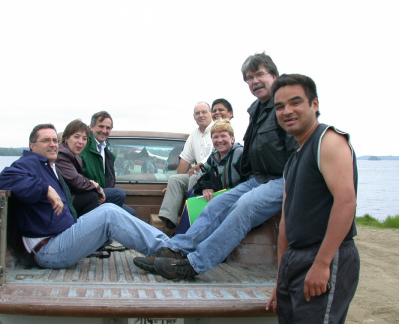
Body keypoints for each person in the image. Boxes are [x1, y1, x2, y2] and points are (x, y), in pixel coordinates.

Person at [133, 52, 298, 280]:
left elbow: (298, 150)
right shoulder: (257, 110)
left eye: (260, 74)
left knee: (245, 207)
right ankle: (175, 249)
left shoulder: (285, 106)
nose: (254, 82)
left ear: (274, 75)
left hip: (287, 178)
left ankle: (194, 264)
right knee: (217, 204)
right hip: (259, 179)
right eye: (249, 78)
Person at [0, 124, 170, 269]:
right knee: (109, 214)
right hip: (48, 250)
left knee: (109, 208)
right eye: (45, 140)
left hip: (61, 238)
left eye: (55, 140)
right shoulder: (30, 162)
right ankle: (166, 250)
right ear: (32, 146)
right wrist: (45, 189)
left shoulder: (50, 167)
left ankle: (168, 247)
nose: (52, 144)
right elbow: (4, 179)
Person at [266, 74, 359, 323]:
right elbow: (287, 221)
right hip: (295, 259)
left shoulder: (328, 141)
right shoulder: (294, 158)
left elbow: (346, 202)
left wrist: (322, 264)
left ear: (314, 104)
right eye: (279, 106)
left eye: (295, 102)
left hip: (326, 254)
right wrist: (281, 279)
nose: (287, 111)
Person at [174, 119, 247, 235]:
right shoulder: (214, 155)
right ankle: (184, 234)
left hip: (236, 197)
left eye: (223, 136)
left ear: (232, 139)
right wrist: (205, 187)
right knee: (192, 193)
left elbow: (250, 180)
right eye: (215, 137)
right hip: (218, 194)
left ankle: (187, 236)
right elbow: (204, 174)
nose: (219, 140)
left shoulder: (240, 154)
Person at [157, 101, 213, 233]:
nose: (201, 115)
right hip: (198, 174)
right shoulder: (194, 134)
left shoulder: (217, 130)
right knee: (174, 180)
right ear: (193, 116)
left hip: (213, 175)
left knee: (194, 178)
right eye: (197, 113)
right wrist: (173, 184)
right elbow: (185, 159)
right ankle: (168, 220)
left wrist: (200, 166)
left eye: (204, 112)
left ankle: (186, 222)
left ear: (210, 113)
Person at [79, 111, 135, 216]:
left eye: (108, 128)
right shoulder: (83, 146)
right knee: (119, 194)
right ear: (91, 127)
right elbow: (76, 176)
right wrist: (96, 189)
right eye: (101, 126)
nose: (104, 131)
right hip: (88, 194)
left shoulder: (104, 148)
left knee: (130, 213)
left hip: (100, 192)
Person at [55, 119, 106, 217]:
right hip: (63, 202)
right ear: (66, 138)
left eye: (84, 138)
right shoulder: (62, 155)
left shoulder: (74, 156)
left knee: (119, 198)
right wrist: (97, 188)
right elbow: (76, 181)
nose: (81, 142)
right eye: (76, 137)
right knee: (93, 197)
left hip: (71, 196)